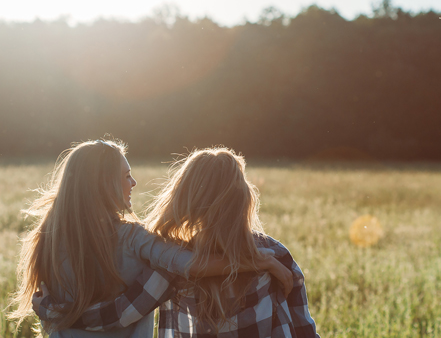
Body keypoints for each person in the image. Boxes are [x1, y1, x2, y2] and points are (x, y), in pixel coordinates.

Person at [10, 140, 292, 338]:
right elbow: (189, 266)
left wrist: (54, 312)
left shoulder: (47, 237)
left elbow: (113, 313)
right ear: (102, 184)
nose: (133, 183)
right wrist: (261, 261)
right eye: (126, 176)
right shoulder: (135, 239)